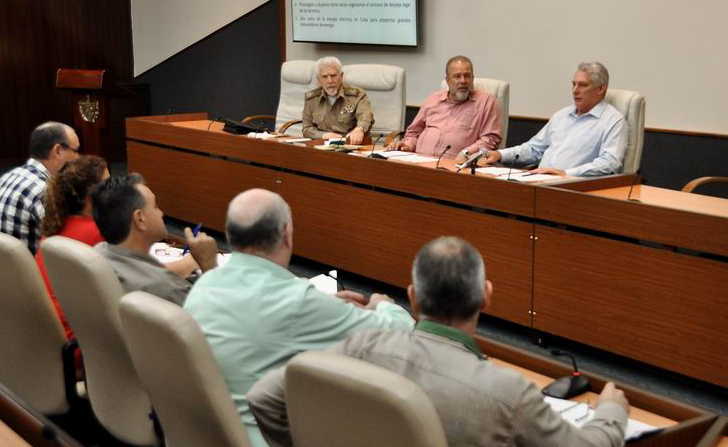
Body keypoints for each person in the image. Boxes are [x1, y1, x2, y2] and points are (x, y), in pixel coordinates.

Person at [248, 236, 630, 447]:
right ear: (486, 296)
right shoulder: (506, 392)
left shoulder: (361, 345)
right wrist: (610, 413)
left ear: (412, 297)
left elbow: (264, 397)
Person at [183, 188, 414, 447]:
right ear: (286, 236)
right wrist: (382, 305)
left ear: (229, 236)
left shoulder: (205, 283)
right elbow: (399, 334)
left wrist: (324, 305)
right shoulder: (298, 302)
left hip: (203, 433)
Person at [91, 174, 218, 305]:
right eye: (155, 206)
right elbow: (219, 316)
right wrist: (209, 265)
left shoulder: (97, 253)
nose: (161, 212)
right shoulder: (167, 289)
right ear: (140, 219)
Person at [482, 62, 627, 177]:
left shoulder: (613, 121)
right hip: (540, 181)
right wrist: (500, 154)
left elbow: (610, 163)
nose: (575, 90)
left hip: (574, 187)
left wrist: (566, 174)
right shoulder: (562, 116)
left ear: (601, 88)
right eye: (573, 84)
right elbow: (534, 149)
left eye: (582, 85)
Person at [35, 155, 109, 340]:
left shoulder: (54, 226)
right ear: (92, 196)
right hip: (79, 342)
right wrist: (190, 261)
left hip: (48, 334)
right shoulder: (98, 232)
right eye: (109, 185)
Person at [390, 55, 502, 160]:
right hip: (418, 161)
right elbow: (414, 132)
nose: (463, 81)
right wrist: (407, 145)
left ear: (472, 78)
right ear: (447, 80)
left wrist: (467, 153)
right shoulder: (433, 99)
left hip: (454, 167)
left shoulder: (486, 102)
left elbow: (490, 139)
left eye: (467, 76)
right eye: (457, 76)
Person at [0, 121, 80, 253]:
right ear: (58, 151)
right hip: (32, 271)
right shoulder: (44, 190)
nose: (78, 158)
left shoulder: (6, 177)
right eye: (76, 151)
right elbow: (67, 249)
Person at [302, 57, 374, 144]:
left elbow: (365, 117)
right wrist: (323, 135)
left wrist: (359, 130)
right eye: (324, 77)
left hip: (349, 145)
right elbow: (306, 128)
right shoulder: (312, 99)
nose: (330, 81)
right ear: (319, 80)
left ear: (341, 76)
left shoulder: (357, 96)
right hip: (322, 144)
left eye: (333, 75)